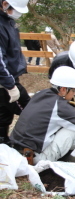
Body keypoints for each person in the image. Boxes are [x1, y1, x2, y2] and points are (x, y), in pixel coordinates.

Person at [0, 0, 31, 145]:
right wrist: (10, 86)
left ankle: (3, 142)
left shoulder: (7, 21)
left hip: (9, 78)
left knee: (4, 113)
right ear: (5, 4)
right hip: (5, 82)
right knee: (29, 110)